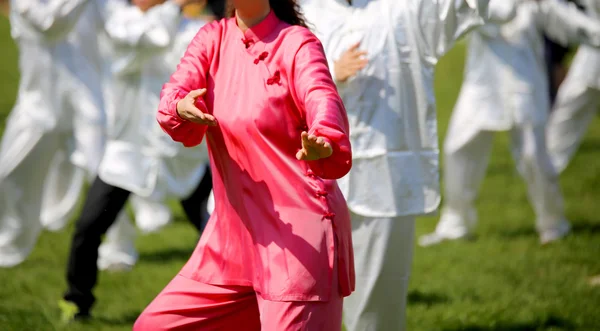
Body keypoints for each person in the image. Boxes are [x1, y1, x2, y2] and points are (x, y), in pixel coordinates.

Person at [133, 1, 354, 330]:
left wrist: (324, 136)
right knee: (154, 326)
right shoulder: (212, 38)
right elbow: (176, 90)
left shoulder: (297, 43)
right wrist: (178, 105)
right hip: (231, 241)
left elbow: (321, 95)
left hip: (298, 241)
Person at [300, 0, 514, 330]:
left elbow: (465, 7)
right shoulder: (302, 11)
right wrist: (329, 72)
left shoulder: (406, 8)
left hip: (384, 182)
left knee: (377, 308)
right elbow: (268, 77)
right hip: (307, 184)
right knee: (299, 304)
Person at [59, 0, 213, 321]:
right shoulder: (122, 22)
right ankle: (77, 300)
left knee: (219, 230)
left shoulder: (195, 32)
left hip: (181, 155)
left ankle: (230, 306)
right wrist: (172, 7)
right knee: (88, 227)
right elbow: (153, 38)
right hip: (127, 154)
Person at [419, 0, 600, 248]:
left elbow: (567, 22)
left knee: (533, 156)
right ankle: (455, 224)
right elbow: (500, 14)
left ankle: (553, 224)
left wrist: (594, 33)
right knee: (457, 149)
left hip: (524, 85)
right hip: (482, 86)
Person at [546, 0, 600, 172]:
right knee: (565, 112)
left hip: (591, 58)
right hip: (590, 60)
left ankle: (545, 168)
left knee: (567, 110)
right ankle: (546, 170)